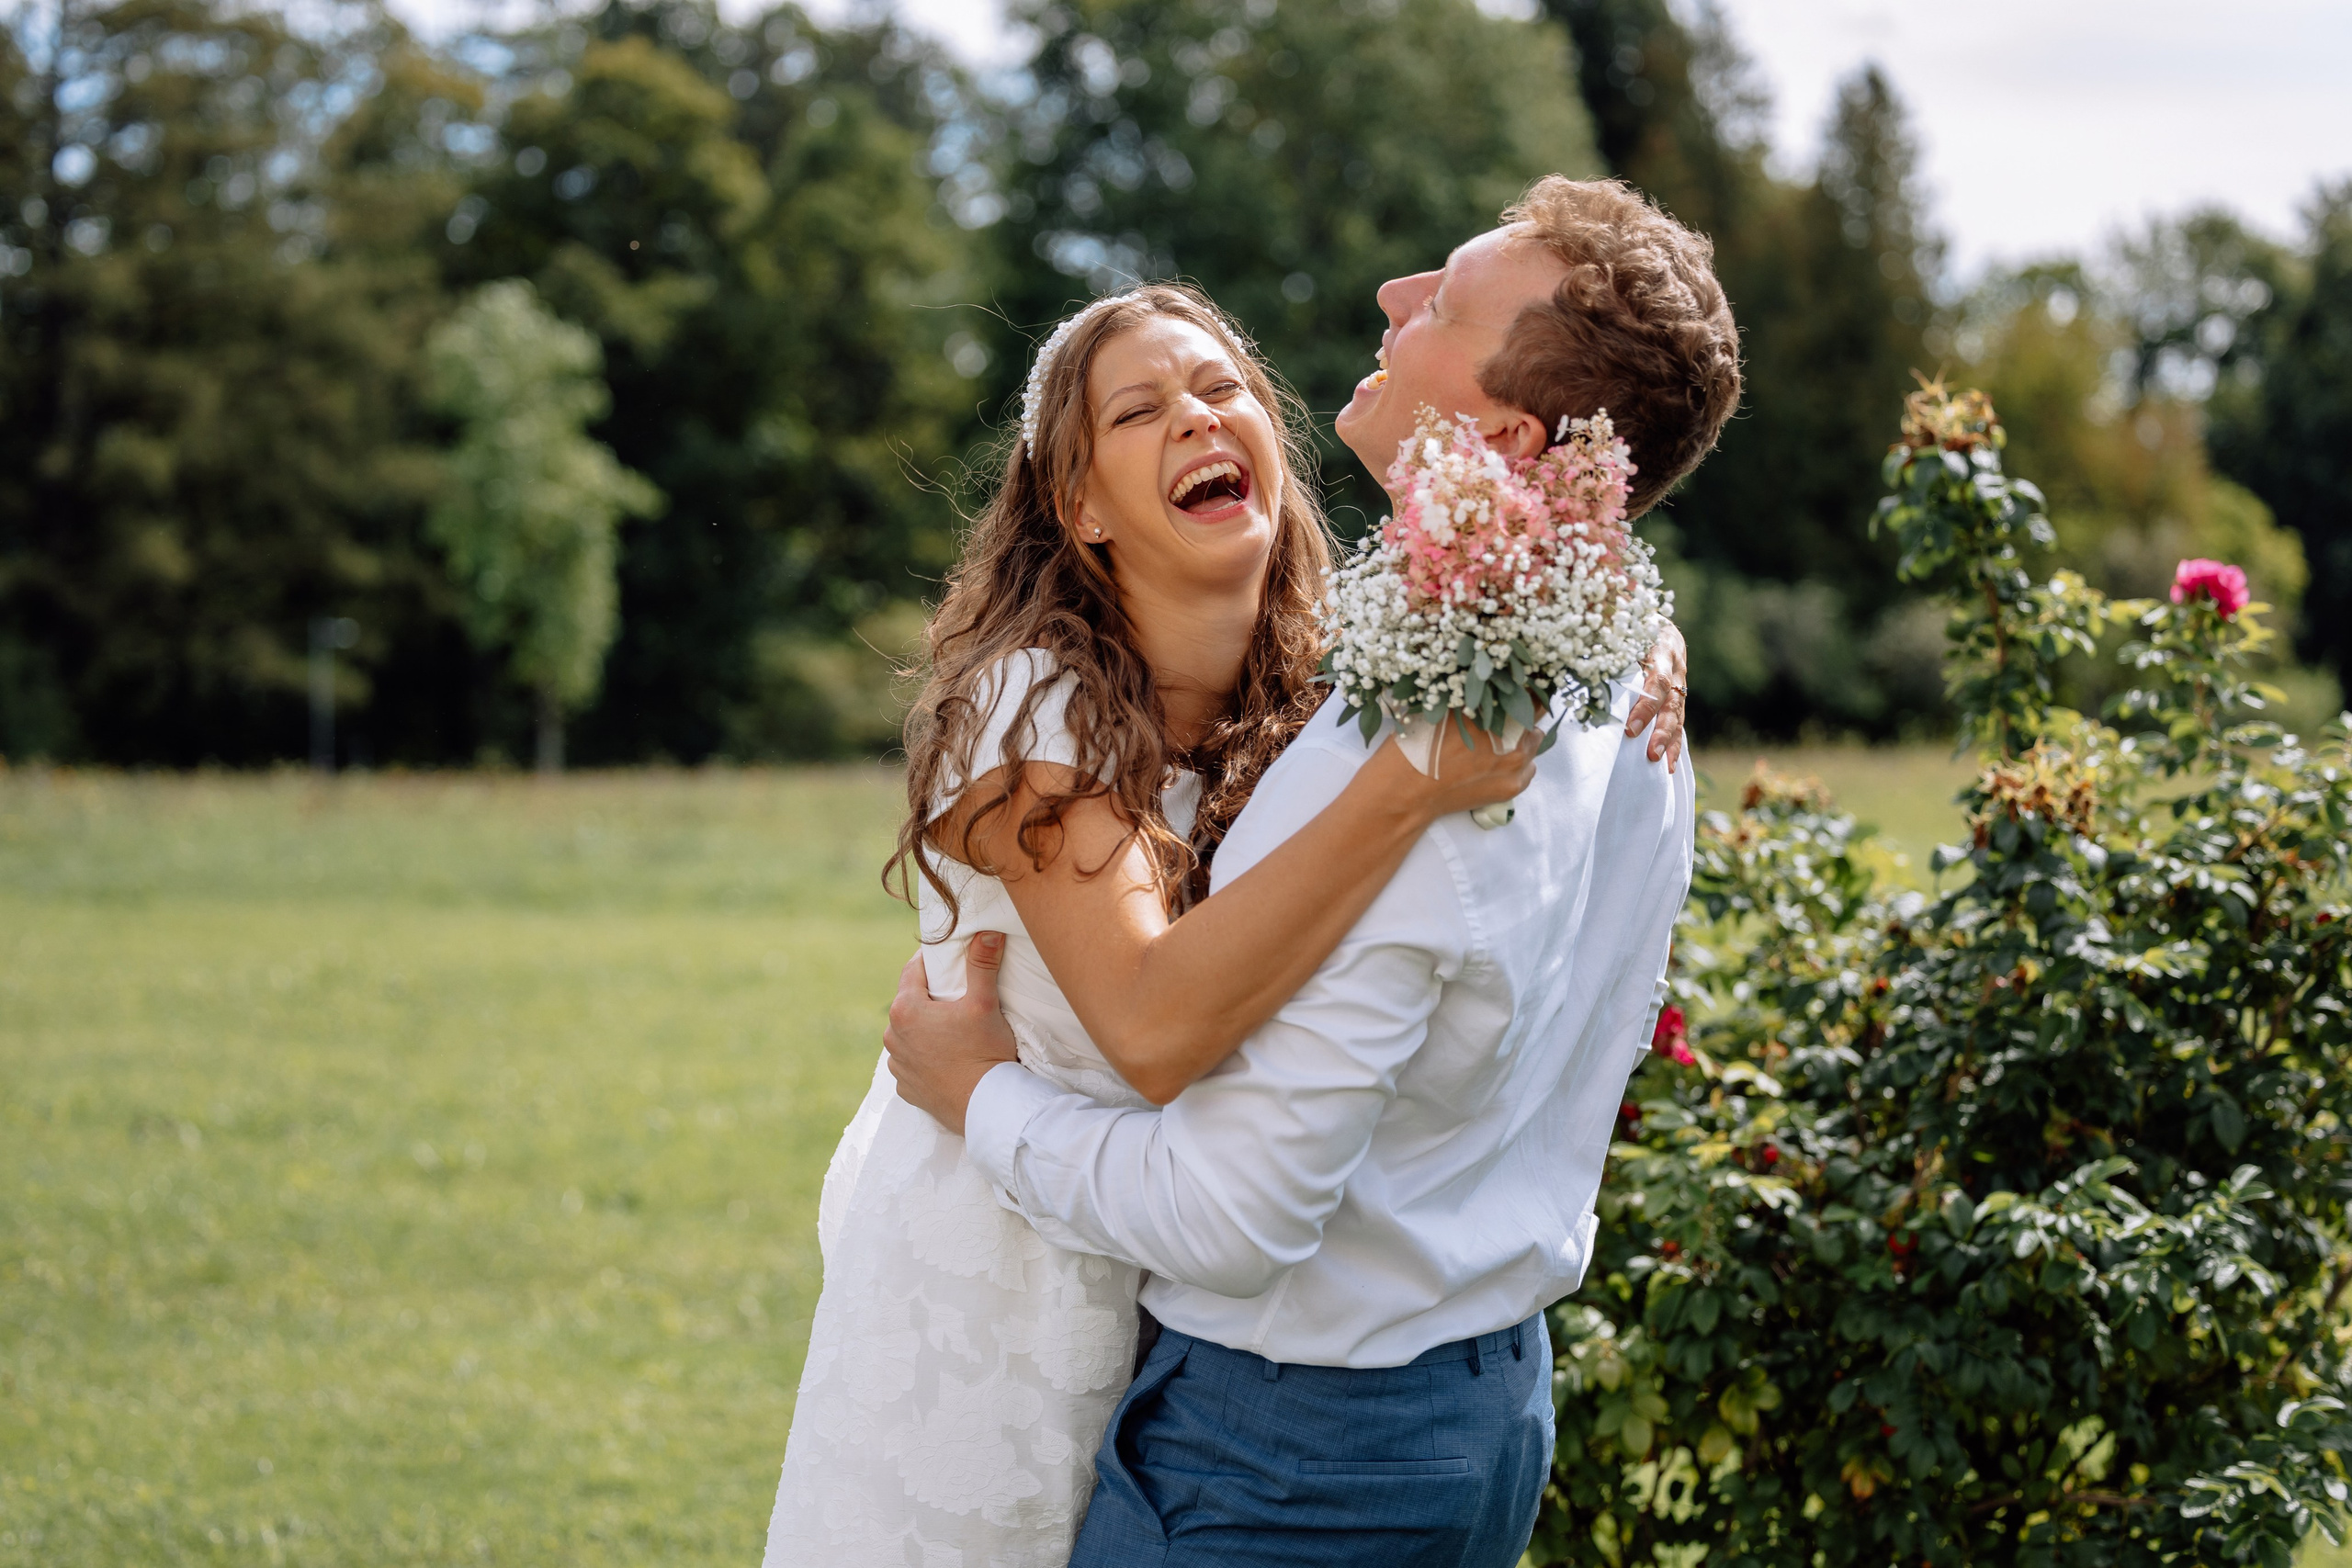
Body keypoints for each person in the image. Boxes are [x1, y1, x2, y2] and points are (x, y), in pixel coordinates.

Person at [881, 175, 1741, 1568]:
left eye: (1442, 301)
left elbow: (1225, 1200)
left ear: (1507, 439)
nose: (1393, 295)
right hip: (1453, 1394)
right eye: (1137, 412)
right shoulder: (1587, 661)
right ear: (1076, 502)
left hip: (1289, 1445)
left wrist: (977, 1092)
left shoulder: (1422, 732)